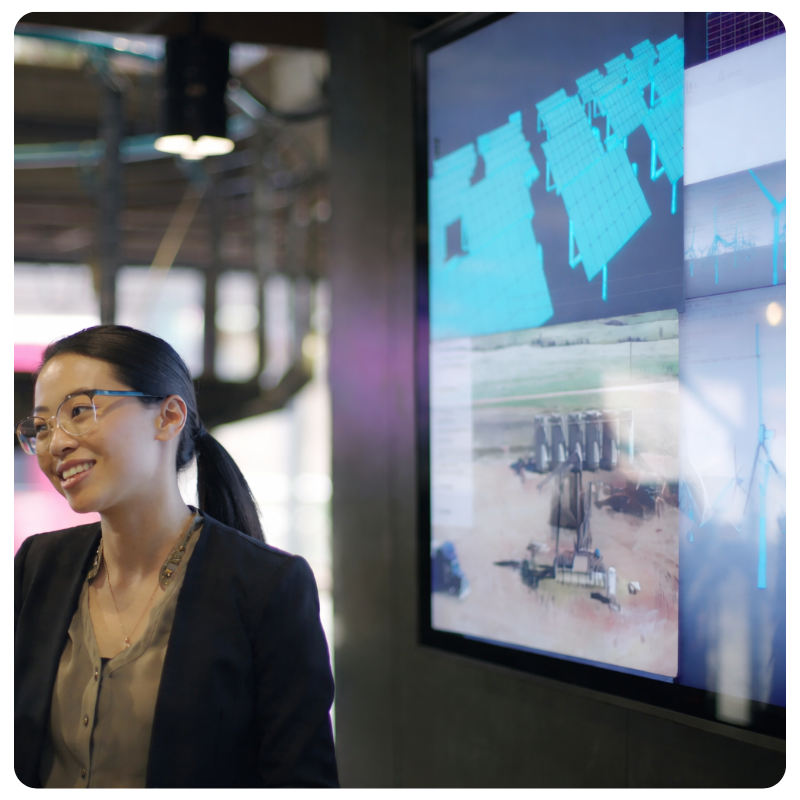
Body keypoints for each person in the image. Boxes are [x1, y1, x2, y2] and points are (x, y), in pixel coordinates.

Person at [14, 325, 339, 789]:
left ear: (168, 417)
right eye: (42, 427)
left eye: (80, 411)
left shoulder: (267, 585)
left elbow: (299, 776)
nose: (56, 444)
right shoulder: (38, 566)